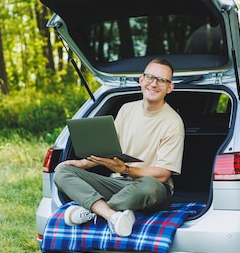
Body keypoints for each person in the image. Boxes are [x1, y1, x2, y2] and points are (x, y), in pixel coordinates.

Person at [54, 58, 185, 237]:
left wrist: (126, 169)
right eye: (149, 77)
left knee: (149, 186)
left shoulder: (173, 122)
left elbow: (163, 174)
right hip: (118, 184)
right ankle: (111, 215)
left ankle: (93, 211)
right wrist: (83, 164)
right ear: (141, 79)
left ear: (170, 87)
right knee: (63, 171)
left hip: (151, 189)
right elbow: (107, 150)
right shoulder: (126, 109)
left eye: (162, 80)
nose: (154, 84)